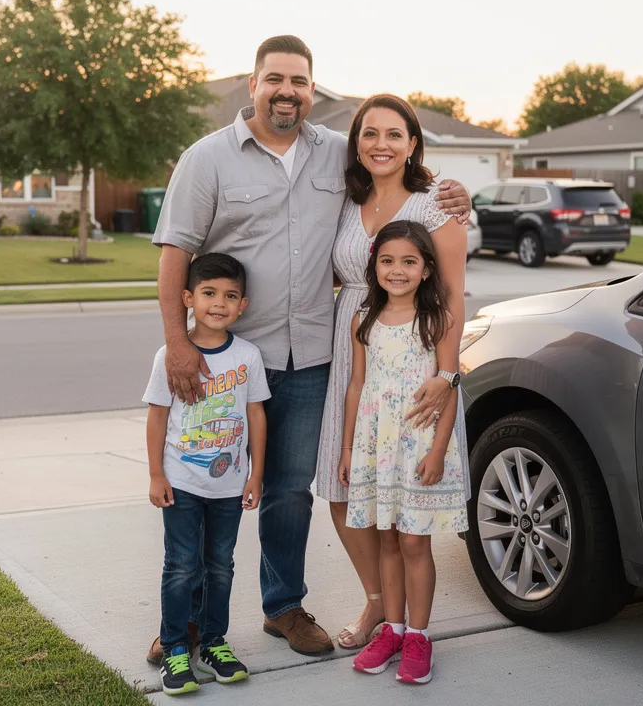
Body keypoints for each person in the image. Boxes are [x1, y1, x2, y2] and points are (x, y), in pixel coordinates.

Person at [148, 36, 471, 662]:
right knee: (198, 490)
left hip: (316, 356)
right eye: (275, 79)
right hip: (228, 360)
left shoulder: (336, 156)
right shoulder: (207, 159)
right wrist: (177, 345)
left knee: (293, 490)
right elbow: (174, 255)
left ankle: (284, 607)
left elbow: (407, 194)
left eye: (299, 81)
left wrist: (460, 198)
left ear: (312, 88)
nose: (287, 91)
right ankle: (180, 621)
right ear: (253, 84)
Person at [313, 94, 469, 651]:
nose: (381, 144)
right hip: (353, 342)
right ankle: (379, 602)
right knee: (340, 484)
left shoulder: (435, 205)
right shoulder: (342, 200)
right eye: (370, 133)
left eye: (394, 134)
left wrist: (447, 375)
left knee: (406, 509)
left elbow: (452, 295)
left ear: (413, 143)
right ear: (356, 141)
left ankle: (405, 624)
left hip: (417, 358)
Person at [339, 220, 469, 685]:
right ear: (374, 266)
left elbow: (451, 387)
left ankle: (418, 634)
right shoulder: (364, 320)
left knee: (415, 540)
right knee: (388, 538)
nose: (396, 270)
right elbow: (357, 386)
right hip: (378, 445)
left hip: (418, 446)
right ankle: (391, 630)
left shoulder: (438, 320)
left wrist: (437, 452)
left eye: (408, 262)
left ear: (427, 269)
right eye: (387, 261)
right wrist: (350, 447)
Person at [143, 253, 269, 696]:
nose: (219, 303)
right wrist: (157, 473)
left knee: (220, 566)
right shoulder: (172, 356)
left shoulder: (248, 356)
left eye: (230, 296)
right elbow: (158, 418)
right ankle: (176, 647)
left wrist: (255, 474)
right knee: (181, 566)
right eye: (209, 293)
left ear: (243, 304)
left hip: (230, 484)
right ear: (188, 298)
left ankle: (214, 642)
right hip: (181, 483)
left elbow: (256, 415)